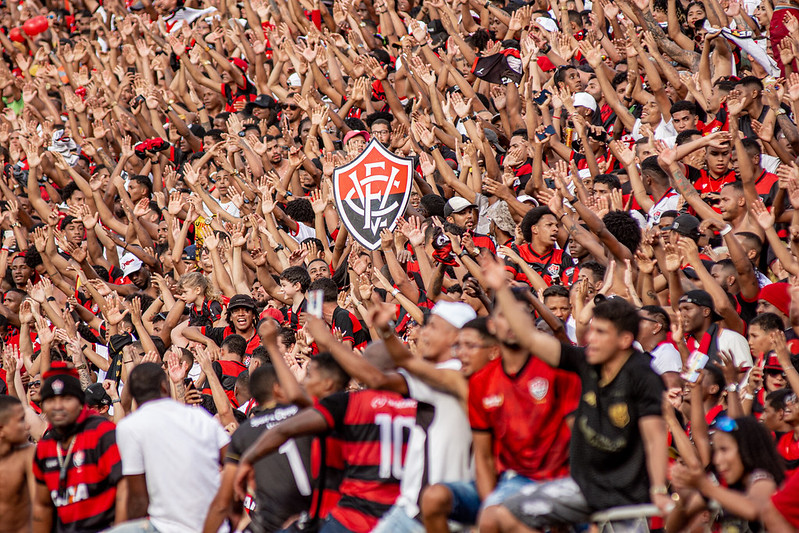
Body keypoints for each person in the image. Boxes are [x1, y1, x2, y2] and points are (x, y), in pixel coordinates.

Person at [479, 256, 670, 531]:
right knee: (505, 515)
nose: (590, 338)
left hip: (626, 494)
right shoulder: (585, 362)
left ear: (625, 340)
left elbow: (654, 438)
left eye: (601, 333)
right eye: (592, 331)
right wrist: (501, 290)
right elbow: (530, 338)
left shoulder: (643, 376)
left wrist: (659, 490)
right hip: (583, 487)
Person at [108, 361, 230, 533]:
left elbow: (138, 498)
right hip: (217, 525)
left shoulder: (130, 426)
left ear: (134, 394)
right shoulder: (199, 416)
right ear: (164, 387)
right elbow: (234, 459)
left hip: (166, 528)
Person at [204, 364, 313, 533]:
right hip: (315, 517)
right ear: (278, 387)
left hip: (271, 523)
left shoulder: (244, 432)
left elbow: (223, 502)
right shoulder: (305, 414)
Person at [32, 362, 123, 533]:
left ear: (80, 402)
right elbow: (42, 506)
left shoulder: (102, 433)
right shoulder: (45, 447)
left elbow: (126, 491)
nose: (58, 406)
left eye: (66, 399)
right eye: (51, 400)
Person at [0, 395, 34, 533]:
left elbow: (41, 506)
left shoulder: (30, 455)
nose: (27, 425)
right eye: (21, 420)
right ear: (1, 429)